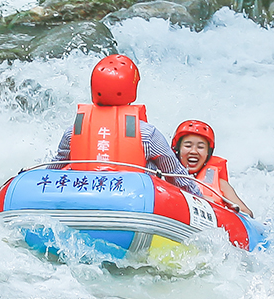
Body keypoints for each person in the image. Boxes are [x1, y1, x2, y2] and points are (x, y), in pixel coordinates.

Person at [50, 54, 203, 197]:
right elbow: (175, 174)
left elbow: (55, 168)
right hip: (134, 200)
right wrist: (201, 199)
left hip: (83, 196)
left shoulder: (74, 131)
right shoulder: (147, 134)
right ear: (132, 90)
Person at [171, 120, 254, 217]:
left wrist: (216, 209)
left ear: (208, 153)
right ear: (178, 150)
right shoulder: (165, 173)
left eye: (201, 147)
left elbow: (247, 214)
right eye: (188, 146)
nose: (193, 151)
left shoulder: (220, 184)